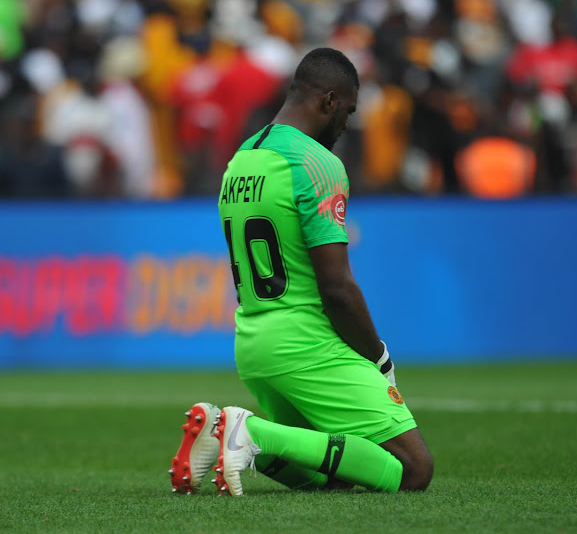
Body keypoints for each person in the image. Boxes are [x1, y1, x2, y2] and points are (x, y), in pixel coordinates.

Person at [168, 47, 433, 496]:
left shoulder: (241, 159)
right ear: (328, 101)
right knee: (412, 469)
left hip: (254, 345)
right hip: (305, 344)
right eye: (347, 111)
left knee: (333, 474)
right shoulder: (316, 164)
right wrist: (379, 357)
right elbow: (337, 288)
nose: (346, 124)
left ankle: (222, 435)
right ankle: (250, 433)